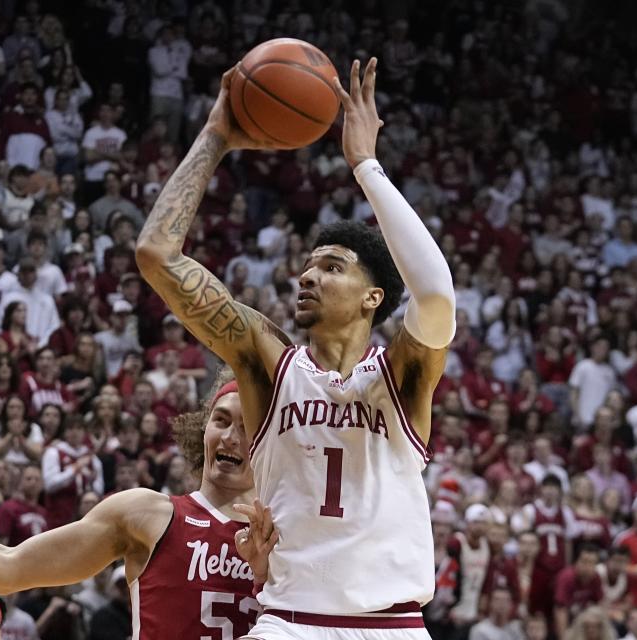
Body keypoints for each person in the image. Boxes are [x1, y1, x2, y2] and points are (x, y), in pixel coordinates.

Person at [134, 60, 455, 635]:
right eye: (307, 267)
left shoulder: (401, 378)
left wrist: (366, 166)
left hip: (392, 628)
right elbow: (157, 256)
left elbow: (435, 293)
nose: (308, 277)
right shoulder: (268, 365)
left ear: (372, 297)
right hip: (289, 624)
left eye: (332, 268)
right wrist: (215, 136)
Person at [0, 374, 278, 639]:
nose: (232, 436)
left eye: (248, 425)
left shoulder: (294, 525)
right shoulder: (149, 513)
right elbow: (8, 566)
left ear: (272, 440)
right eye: (221, 419)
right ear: (202, 429)